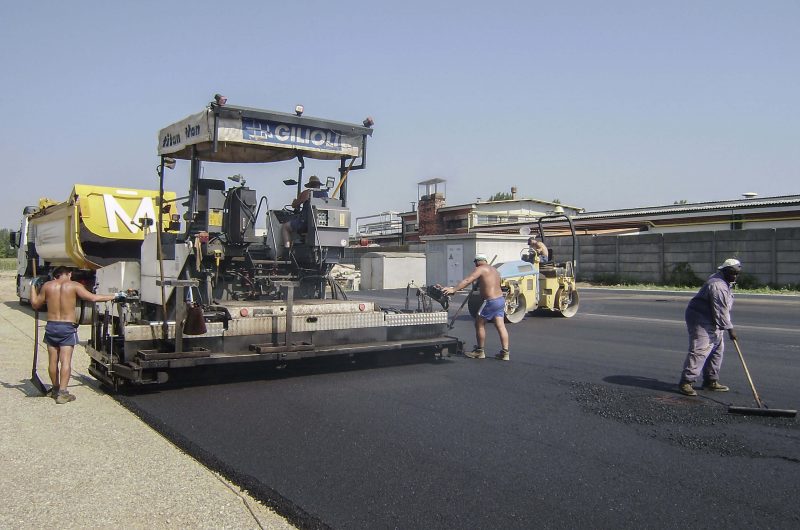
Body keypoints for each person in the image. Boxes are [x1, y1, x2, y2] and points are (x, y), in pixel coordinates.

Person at [30, 266, 123, 404]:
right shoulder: (74, 285)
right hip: (67, 327)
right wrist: (115, 296)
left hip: (52, 326)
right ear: (67, 274)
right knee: (65, 361)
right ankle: (63, 393)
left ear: (55, 276)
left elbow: (35, 304)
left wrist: (33, 286)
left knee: (52, 361)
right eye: (70, 274)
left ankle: (55, 389)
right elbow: (93, 298)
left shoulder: (47, 286)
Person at [677, 258, 742, 396]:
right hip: (700, 318)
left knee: (717, 349)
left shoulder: (725, 281)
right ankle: (686, 382)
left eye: (737, 273)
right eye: (732, 273)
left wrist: (725, 326)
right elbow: (721, 311)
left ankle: (710, 380)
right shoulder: (718, 285)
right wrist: (730, 329)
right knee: (700, 349)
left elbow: (722, 311)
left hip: (713, 318)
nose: (735, 276)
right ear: (724, 271)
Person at [442, 254, 510, 361]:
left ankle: (479, 351)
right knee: (500, 325)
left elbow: (467, 280)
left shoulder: (481, 269)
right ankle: (505, 353)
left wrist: (453, 289)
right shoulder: (494, 270)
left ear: (477, 262)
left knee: (479, 323)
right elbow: (489, 283)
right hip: (500, 300)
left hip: (490, 301)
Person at [281, 175, 329, 250]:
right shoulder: (325, 194)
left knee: (285, 227)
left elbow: (295, 205)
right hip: (320, 223)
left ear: (310, 185)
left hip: (305, 223)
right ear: (319, 185)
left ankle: (286, 250)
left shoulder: (307, 193)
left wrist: (295, 201)